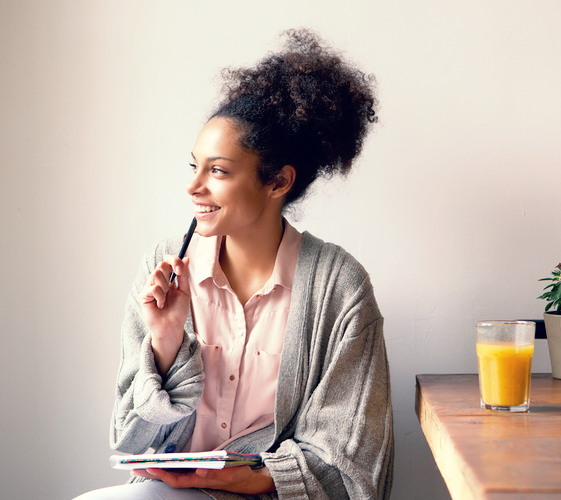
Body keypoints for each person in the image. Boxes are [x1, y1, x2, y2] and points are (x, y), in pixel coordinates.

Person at [74, 29, 393, 500]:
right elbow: (128, 438)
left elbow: (352, 455)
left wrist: (261, 477)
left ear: (278, 181)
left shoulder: (339, 287)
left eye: (218, 171)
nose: (193, 187)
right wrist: (164, 343)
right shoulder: (162, 270)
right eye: (194, 166)